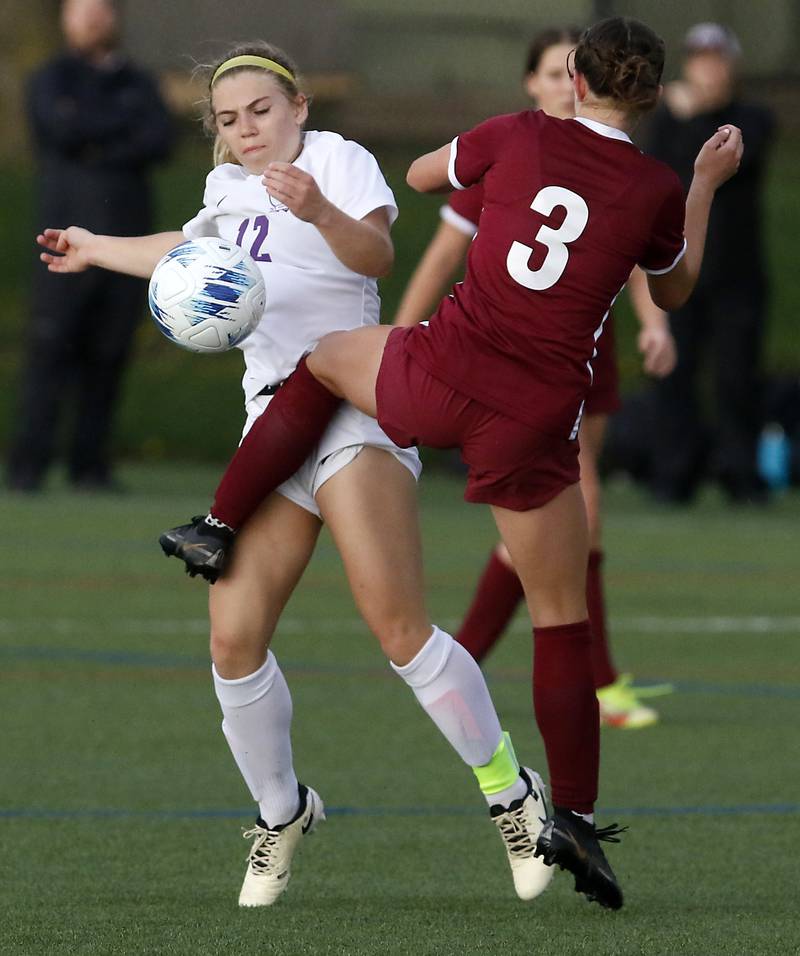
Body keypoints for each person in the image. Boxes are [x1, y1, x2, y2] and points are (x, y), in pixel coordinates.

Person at [139, 17, 743, 910]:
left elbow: (426, 178)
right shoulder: (654, 186)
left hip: (440, 372)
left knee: (329, 359)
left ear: (570, 78)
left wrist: (489, 166)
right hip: (535, 416)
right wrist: (700, 185)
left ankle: (219, 519)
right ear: (652, 96)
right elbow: (679, 285)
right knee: (562, 619)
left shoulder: (518, 132)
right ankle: (571, 815)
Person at [37, 41, 556, 910]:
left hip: (350, 409)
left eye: (261, 111)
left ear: (299, 107)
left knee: (398, 628)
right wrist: (98, 247)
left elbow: (376, 259)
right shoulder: (225, 189)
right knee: (231, 642)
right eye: (229, 119)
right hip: (269, 428)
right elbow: (190, 251)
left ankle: (511, 792)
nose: (246, 129)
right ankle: (283, 812)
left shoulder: (336, 161)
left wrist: (318, 209)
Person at [393, 25, 676, 730]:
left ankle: (474, 663)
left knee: (567, 521)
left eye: (566, 72)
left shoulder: (621, 174)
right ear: (538, 83)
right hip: (501, 358)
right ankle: (578, 679)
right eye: (548, 73)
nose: (559, 84)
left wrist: (654, 322)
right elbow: (442, 251)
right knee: (571, 514)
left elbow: (640, 257)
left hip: (576, 353)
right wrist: (403, 330)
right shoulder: (516, 146)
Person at [6, 0, 173, 493]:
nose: (91, 18)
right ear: (64, 17)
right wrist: (121, 131)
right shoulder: (48, 79)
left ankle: (90, 466)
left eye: (100, 9)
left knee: (109, 354)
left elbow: (159, 141)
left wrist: (93, 137)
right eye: (80, 9)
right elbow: (59, 129)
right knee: (49, 349)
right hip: (62, 244)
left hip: (125, 244)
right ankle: (26, 467)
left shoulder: (139, 83)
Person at [641, 22, 775, 504]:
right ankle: (674, 475)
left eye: (717, 59)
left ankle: (741, 474)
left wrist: (694, 114)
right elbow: (662, 175)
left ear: (731, 65)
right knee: (674, 374)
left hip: (737, 275)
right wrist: (682, 118)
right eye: (700, 59)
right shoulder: (666, 120)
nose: (709, 68)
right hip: (678, 266)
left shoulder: (752, 117)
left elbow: (729, 162)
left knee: (738, 377)